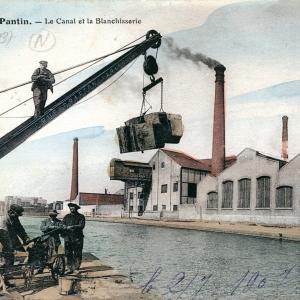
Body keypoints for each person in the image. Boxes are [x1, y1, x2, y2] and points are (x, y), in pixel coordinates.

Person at [0, 204, 30, 287]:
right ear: (11, 212)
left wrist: (26, 238)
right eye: (17, 214)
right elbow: (5, 236)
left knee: (22, 254)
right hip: (3, 241)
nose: (18, 216)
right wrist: (11, 248)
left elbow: (20, 229)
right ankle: (5, 279)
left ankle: (7, 278)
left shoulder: (15, 218)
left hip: (11, 240)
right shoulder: (4, 221)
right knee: (8, 258)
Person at [62, 203, 85, 274]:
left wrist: (72, 227)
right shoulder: (66, 216)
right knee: (68, 253)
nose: (71, 209)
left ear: (76, 208)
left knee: (77, 253)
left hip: (77, 238)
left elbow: (81, 226)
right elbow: (63, 224)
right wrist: (63, 227)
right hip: (68, 238)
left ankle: (76, 268)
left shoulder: (81, 216)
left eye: (73, 207)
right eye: (70, 207)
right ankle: (69, 268)